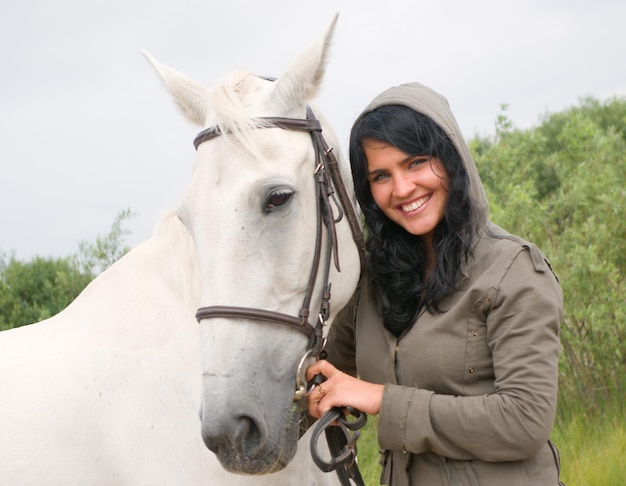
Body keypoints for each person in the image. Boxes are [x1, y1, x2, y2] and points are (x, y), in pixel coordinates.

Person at [306, 82, 564, 485]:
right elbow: (324, 372)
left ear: (451, 159)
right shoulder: (371, 283)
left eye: (416, 163)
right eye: (381, 175)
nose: (402, 189)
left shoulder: (512, 269)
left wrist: (379, 399)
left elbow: (524, 421)